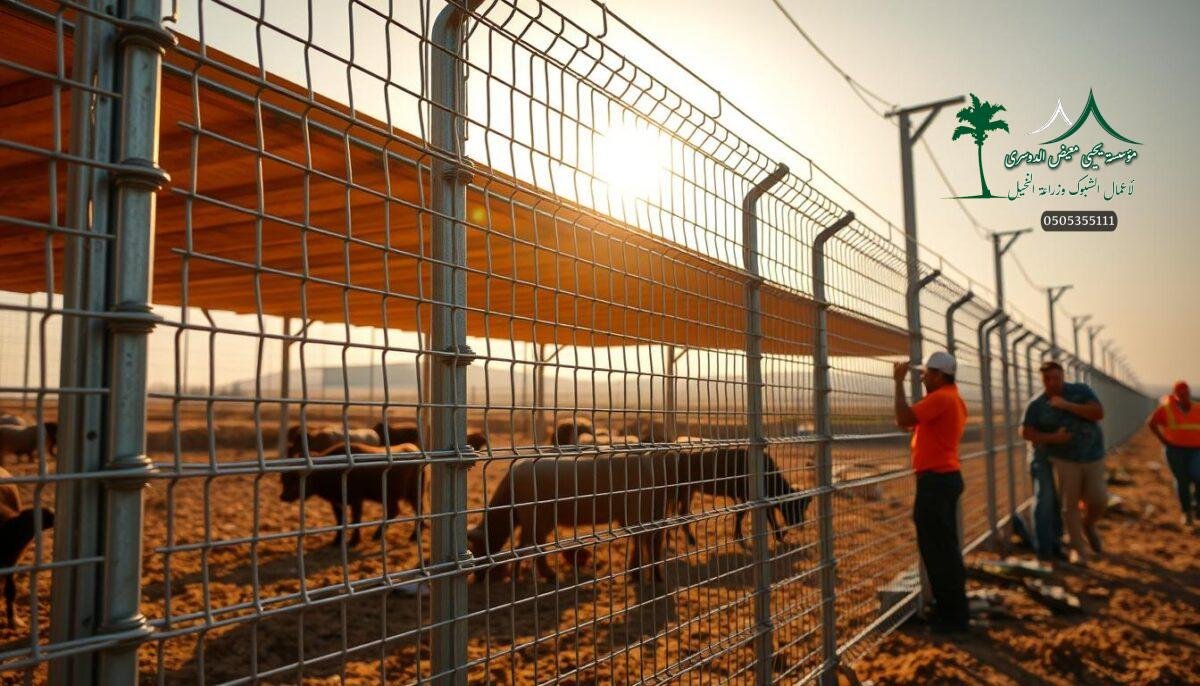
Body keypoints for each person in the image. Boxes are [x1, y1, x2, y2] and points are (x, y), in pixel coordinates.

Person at [893, 351, 969, 633]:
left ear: (939, 374)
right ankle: (953, 611)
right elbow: (912, 422)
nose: (922, 377)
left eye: (926, 373)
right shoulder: (952, 398)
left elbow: (903, 419)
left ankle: (951, 617)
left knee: (938, 550)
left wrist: (898, 383)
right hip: (944, 478)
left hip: (936, 481)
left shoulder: (941, 398)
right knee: (944, 549)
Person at [1021, 361, 1106, 565]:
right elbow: (1025, 432)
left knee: (1098, 499)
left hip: (1093, 455)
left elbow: (1098, 413)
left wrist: (1067, 405)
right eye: (1047, 379)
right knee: (1070, 505)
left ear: (1063, 376)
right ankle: (1078, 550)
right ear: (1042, 380)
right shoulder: (1037, 404)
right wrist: (1053, 439)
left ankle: (1089, 525)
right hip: (1064, 460)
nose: (1052, 382)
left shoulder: (1081, 391)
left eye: (1056, 378)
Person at [1147, 381, 1200, 527]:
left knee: (1198, 476)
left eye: (1186, 394)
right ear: (1175, 395)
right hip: (1175, 450)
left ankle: (1197, 508)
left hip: (1196, 450)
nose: (1184, 397)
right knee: (1182, 480)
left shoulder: (1197, 408)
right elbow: (1151, 423)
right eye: (1181, 395)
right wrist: (1163, 439)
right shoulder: (1167, 409)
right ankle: (1186, 512)